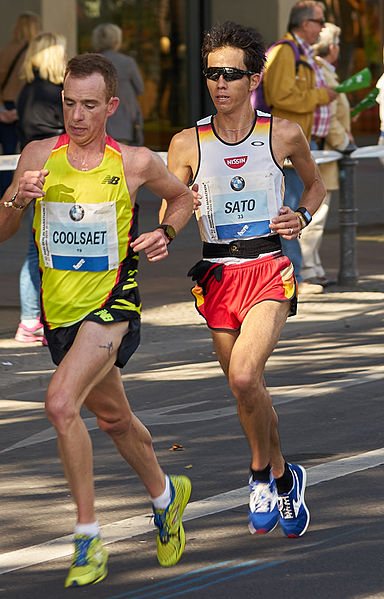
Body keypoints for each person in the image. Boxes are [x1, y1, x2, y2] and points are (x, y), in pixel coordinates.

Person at [0, 53, 193, 587]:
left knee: (60, 403)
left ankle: (87, 538)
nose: (77, 116)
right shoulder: (37, 153)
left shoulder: (134, 161)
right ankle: (167, 498)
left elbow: (182, 198)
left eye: (88, 105)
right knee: (114, 420)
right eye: (68, 103)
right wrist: (16, 198)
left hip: (111, 305)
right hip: (62, 316)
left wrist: (166, 233)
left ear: (111, 106)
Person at [167, 21, 326, 539]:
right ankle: (285, 475)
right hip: (216, 274)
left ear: (254, 78)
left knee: (242, 376)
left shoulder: (281, 132)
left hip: (267, 271)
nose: (220, 83)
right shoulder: (186, 142)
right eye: (212, 73)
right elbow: (177, 204)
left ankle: (258, 474)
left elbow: (316, 185)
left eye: (231, 74)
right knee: (249, 389)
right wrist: (167, 228)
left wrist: (299, 218)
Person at [263, 1, 338, 294]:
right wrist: (320, 95)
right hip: (287, 151)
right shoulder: (285, 51)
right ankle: (293, 278)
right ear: (305, 23)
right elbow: (281, 96)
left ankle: (294, 276)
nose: (322, 27)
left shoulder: (298, 51)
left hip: (297, 148)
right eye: (319, 21)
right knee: (289, 211)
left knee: (293, 210)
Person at [14, 32, 66, 345]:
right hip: (55, 170)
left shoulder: (27, 91)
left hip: (34, 169)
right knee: (41, 248)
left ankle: (32, 317)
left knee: (37, 246)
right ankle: (35, 317)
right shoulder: (55, 93)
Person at [300, 23, 354, 286]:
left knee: (318, 215)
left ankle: (313, 267)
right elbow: (329, 116)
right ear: (332, 47)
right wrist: (344, 142)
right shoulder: (320, 72)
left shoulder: (321, 71)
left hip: (325, 149)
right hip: (323, 150)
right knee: (315, 215)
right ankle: (308, 269)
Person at [0, 11, 40, 195]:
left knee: (7, 157)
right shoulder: (36, 54)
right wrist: (22, 111)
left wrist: (0, 108)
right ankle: (26, 194)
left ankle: (6, 197)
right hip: (28, 108)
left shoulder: (5, 51)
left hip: (7, 106)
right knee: (30, 155)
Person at [91, 23, 144, 145]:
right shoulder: (127, 62)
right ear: (117, 40)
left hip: (97, 124)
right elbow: (140, 88)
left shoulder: (91, 63)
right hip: (124, 125)